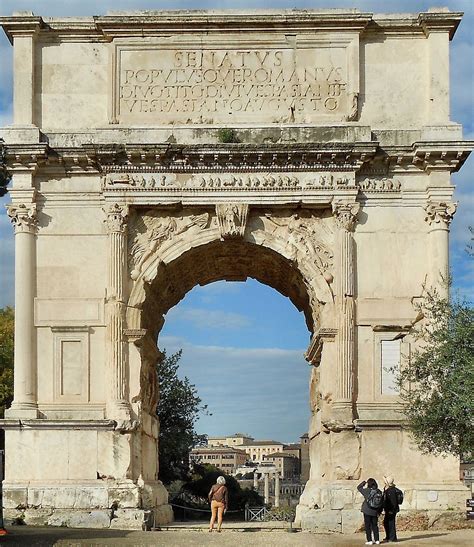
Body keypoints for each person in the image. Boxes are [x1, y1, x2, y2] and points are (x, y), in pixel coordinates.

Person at [357, 478, 382, 545]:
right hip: (375, 511)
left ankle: (369, 540)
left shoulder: (366, 491)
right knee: (375, 525)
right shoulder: (379, 491)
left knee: (368, 526)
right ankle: (377, 540)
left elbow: (359, 487)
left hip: (367, 511)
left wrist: (364, 482)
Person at [382, 476, 400, 542]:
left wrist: (391, 510)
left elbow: (394, 502)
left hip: (391, 510)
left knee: (391, 524)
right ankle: (389, 536)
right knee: (386, 523)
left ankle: (392, 538)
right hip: (389, 510)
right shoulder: (389, 489)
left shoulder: (391, 491)